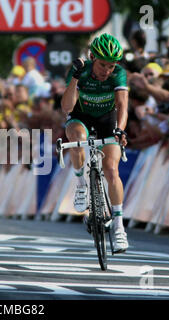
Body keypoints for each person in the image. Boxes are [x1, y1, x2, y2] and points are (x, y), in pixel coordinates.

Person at [61, 33, 129, 253]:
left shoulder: (118, 74)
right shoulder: (80, 69)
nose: (106, 71)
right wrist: (75, 78)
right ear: (92, 57)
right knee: (78, 141)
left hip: (106, 120)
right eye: (102, 65)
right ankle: (81, 187)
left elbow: (122, 106)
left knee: (111, 169)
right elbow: (67, 108)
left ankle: (119, 227)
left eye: (111, 66)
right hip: (80, 116)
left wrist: (120, 129)